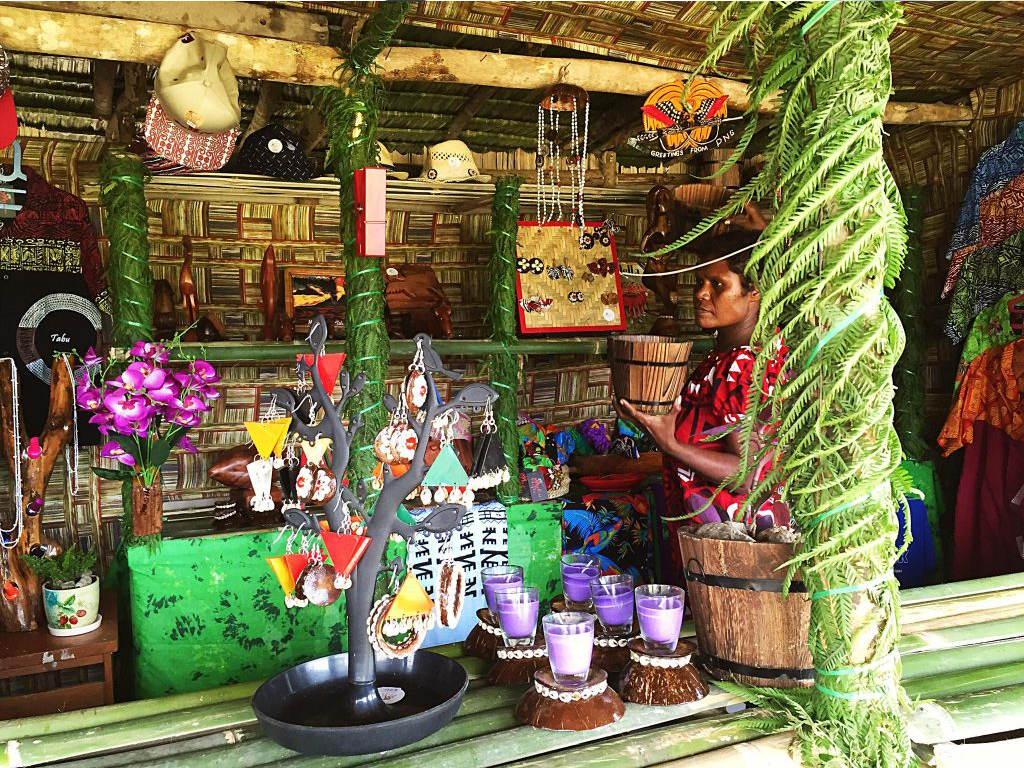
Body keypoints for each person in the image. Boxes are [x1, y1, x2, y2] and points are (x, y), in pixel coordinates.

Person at [617, 229, 787, 579]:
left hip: (737, 551)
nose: (701, 294)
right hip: (714, 543)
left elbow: (748, 476)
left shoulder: (748, 365)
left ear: (754, 291)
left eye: (718, 285)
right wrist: (645, 420)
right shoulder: (724, 357)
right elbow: (703, 431)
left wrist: (671, 445)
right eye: (700, 282)